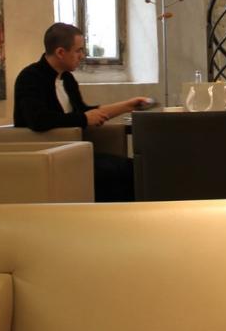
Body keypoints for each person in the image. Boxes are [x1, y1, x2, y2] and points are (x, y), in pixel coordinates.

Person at [13, 22, 151, 200]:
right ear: (60, 52)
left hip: (72, 152)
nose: (82, 56)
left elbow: (83, 112)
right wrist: (84, 119)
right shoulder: (30, 77)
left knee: (134, 168)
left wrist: (128, 106)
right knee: (121, 172)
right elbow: (38, 119)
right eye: (78, 50)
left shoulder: (67, 79)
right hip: (47, 155)